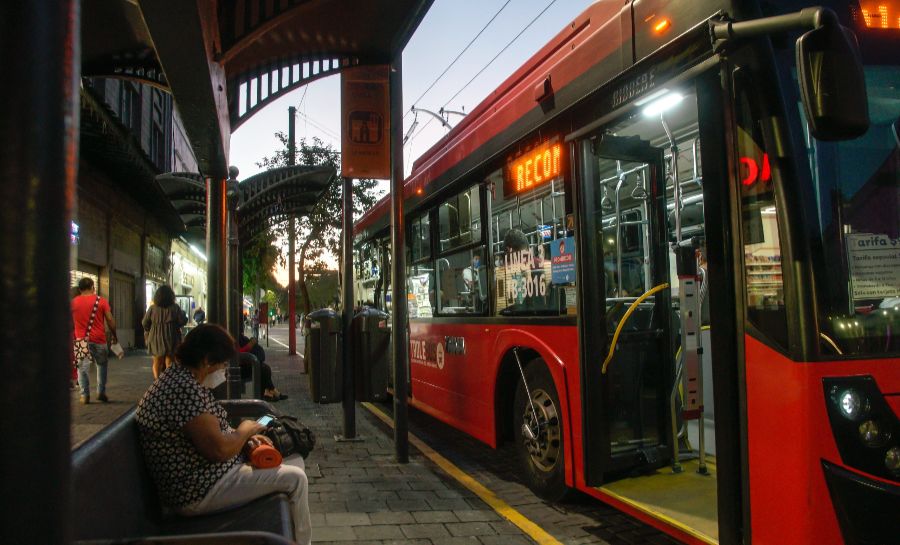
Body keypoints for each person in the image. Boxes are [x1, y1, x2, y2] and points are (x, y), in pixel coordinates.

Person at [135, 324, 310, 545]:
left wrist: (246, 440)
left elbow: (215, 435)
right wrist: (246, 430)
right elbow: (219, 450)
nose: (224, 370)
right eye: (223, 364)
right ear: (207, 361)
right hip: (200, 490)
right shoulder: (183, 390)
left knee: (295, 460)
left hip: (210, 475)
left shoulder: (182, 380)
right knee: (296, 479)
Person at [72, 277, 118, 404]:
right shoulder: (101, 301)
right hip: (99, 340)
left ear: (80, 289)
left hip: (81, 340)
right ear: (93, 287)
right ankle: (101, 392)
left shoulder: (73, 302)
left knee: (82, 368)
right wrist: (115, 335)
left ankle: (84, 395)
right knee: (102, 366)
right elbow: (110, 320)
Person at [143, 285, 188, 380]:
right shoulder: (175, 308)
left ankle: (157, 380)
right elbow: (182, 321)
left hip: (155, 338)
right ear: (171, 296)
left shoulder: (152, 308)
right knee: (169, 359)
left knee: (157, 360)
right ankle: (168, 380)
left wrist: (150, 330)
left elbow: (145, 323)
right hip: (171, 336)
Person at [238, 335, 287, 402]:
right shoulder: (233, 338)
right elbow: (238, 353)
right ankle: (272, 391)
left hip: (245, 362)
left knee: (264, 367)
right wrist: (249, 345)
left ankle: (268, 392)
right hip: (239, 366)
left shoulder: (238, 337)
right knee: (263, 369)